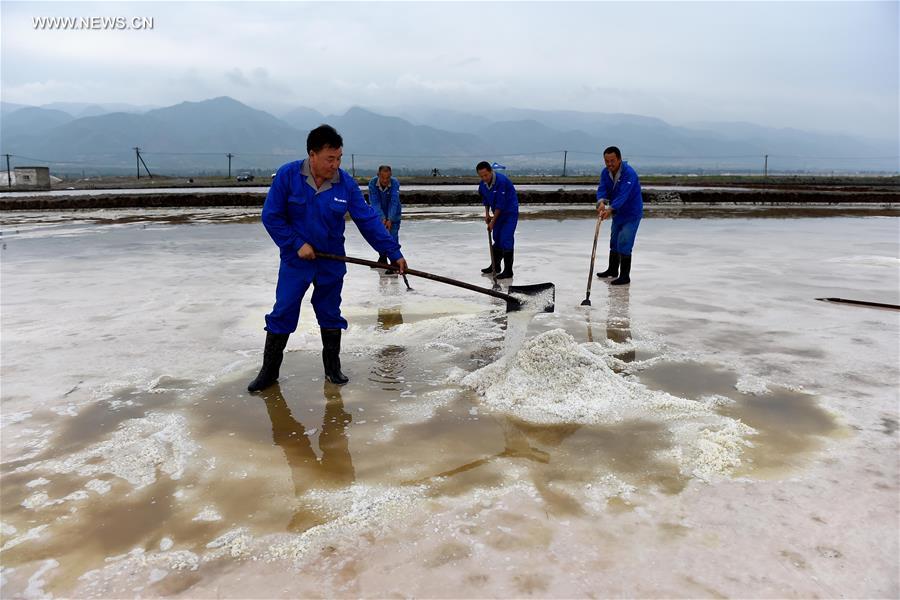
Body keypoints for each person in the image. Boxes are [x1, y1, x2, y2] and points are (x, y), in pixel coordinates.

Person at [248, 125, 408, 392]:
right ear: (312, 155)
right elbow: (271, 217)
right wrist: (296, 244)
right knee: (284, 309)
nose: (335, 164)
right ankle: (269, 372)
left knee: (330, 312)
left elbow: (367, 219)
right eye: (329, 159)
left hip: (331, 259)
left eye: (339, 158)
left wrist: (394, 252)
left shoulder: (344, 183)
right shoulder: (288, 176)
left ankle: (332, 368)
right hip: (296, 260)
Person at [595, 146, 643, 285]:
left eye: (612, 161)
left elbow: (623, 195)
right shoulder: (606, 173)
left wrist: (610, 209)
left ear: (619, 159)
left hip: (631, 213)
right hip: (618, 213)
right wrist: (601, 202)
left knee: (624, 241)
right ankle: (612, 270)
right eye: (606, 161)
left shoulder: (629, 173)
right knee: (614, 241)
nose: (609, 164)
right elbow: (602, 188)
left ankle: (624, 276)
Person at [476, 161, 519, 279]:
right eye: (481, 176)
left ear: (490, 171)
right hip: (497, 213)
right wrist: (487, 215)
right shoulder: (482, 185)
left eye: (486, 175)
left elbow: (500, 205)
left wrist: (492, 222)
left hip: (509, 213)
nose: (484, 178)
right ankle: (495, 267)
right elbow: (485, 200)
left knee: (506, 239)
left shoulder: (501, 182)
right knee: (497, 238)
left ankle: (508, 271)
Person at [367, 165, 402, 265]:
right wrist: (382, 218)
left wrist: (390, 219)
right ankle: (382, 257)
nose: (385, 181)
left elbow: (394, 201)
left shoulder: (394, 183)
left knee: (393, 236)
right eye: (382, 178)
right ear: (378, 175)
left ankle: (394, 262)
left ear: (391, 175)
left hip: (394, 215)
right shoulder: (372, 183)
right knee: (379, 235)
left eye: (388, 178)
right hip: (379, 214)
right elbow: (375, 202)